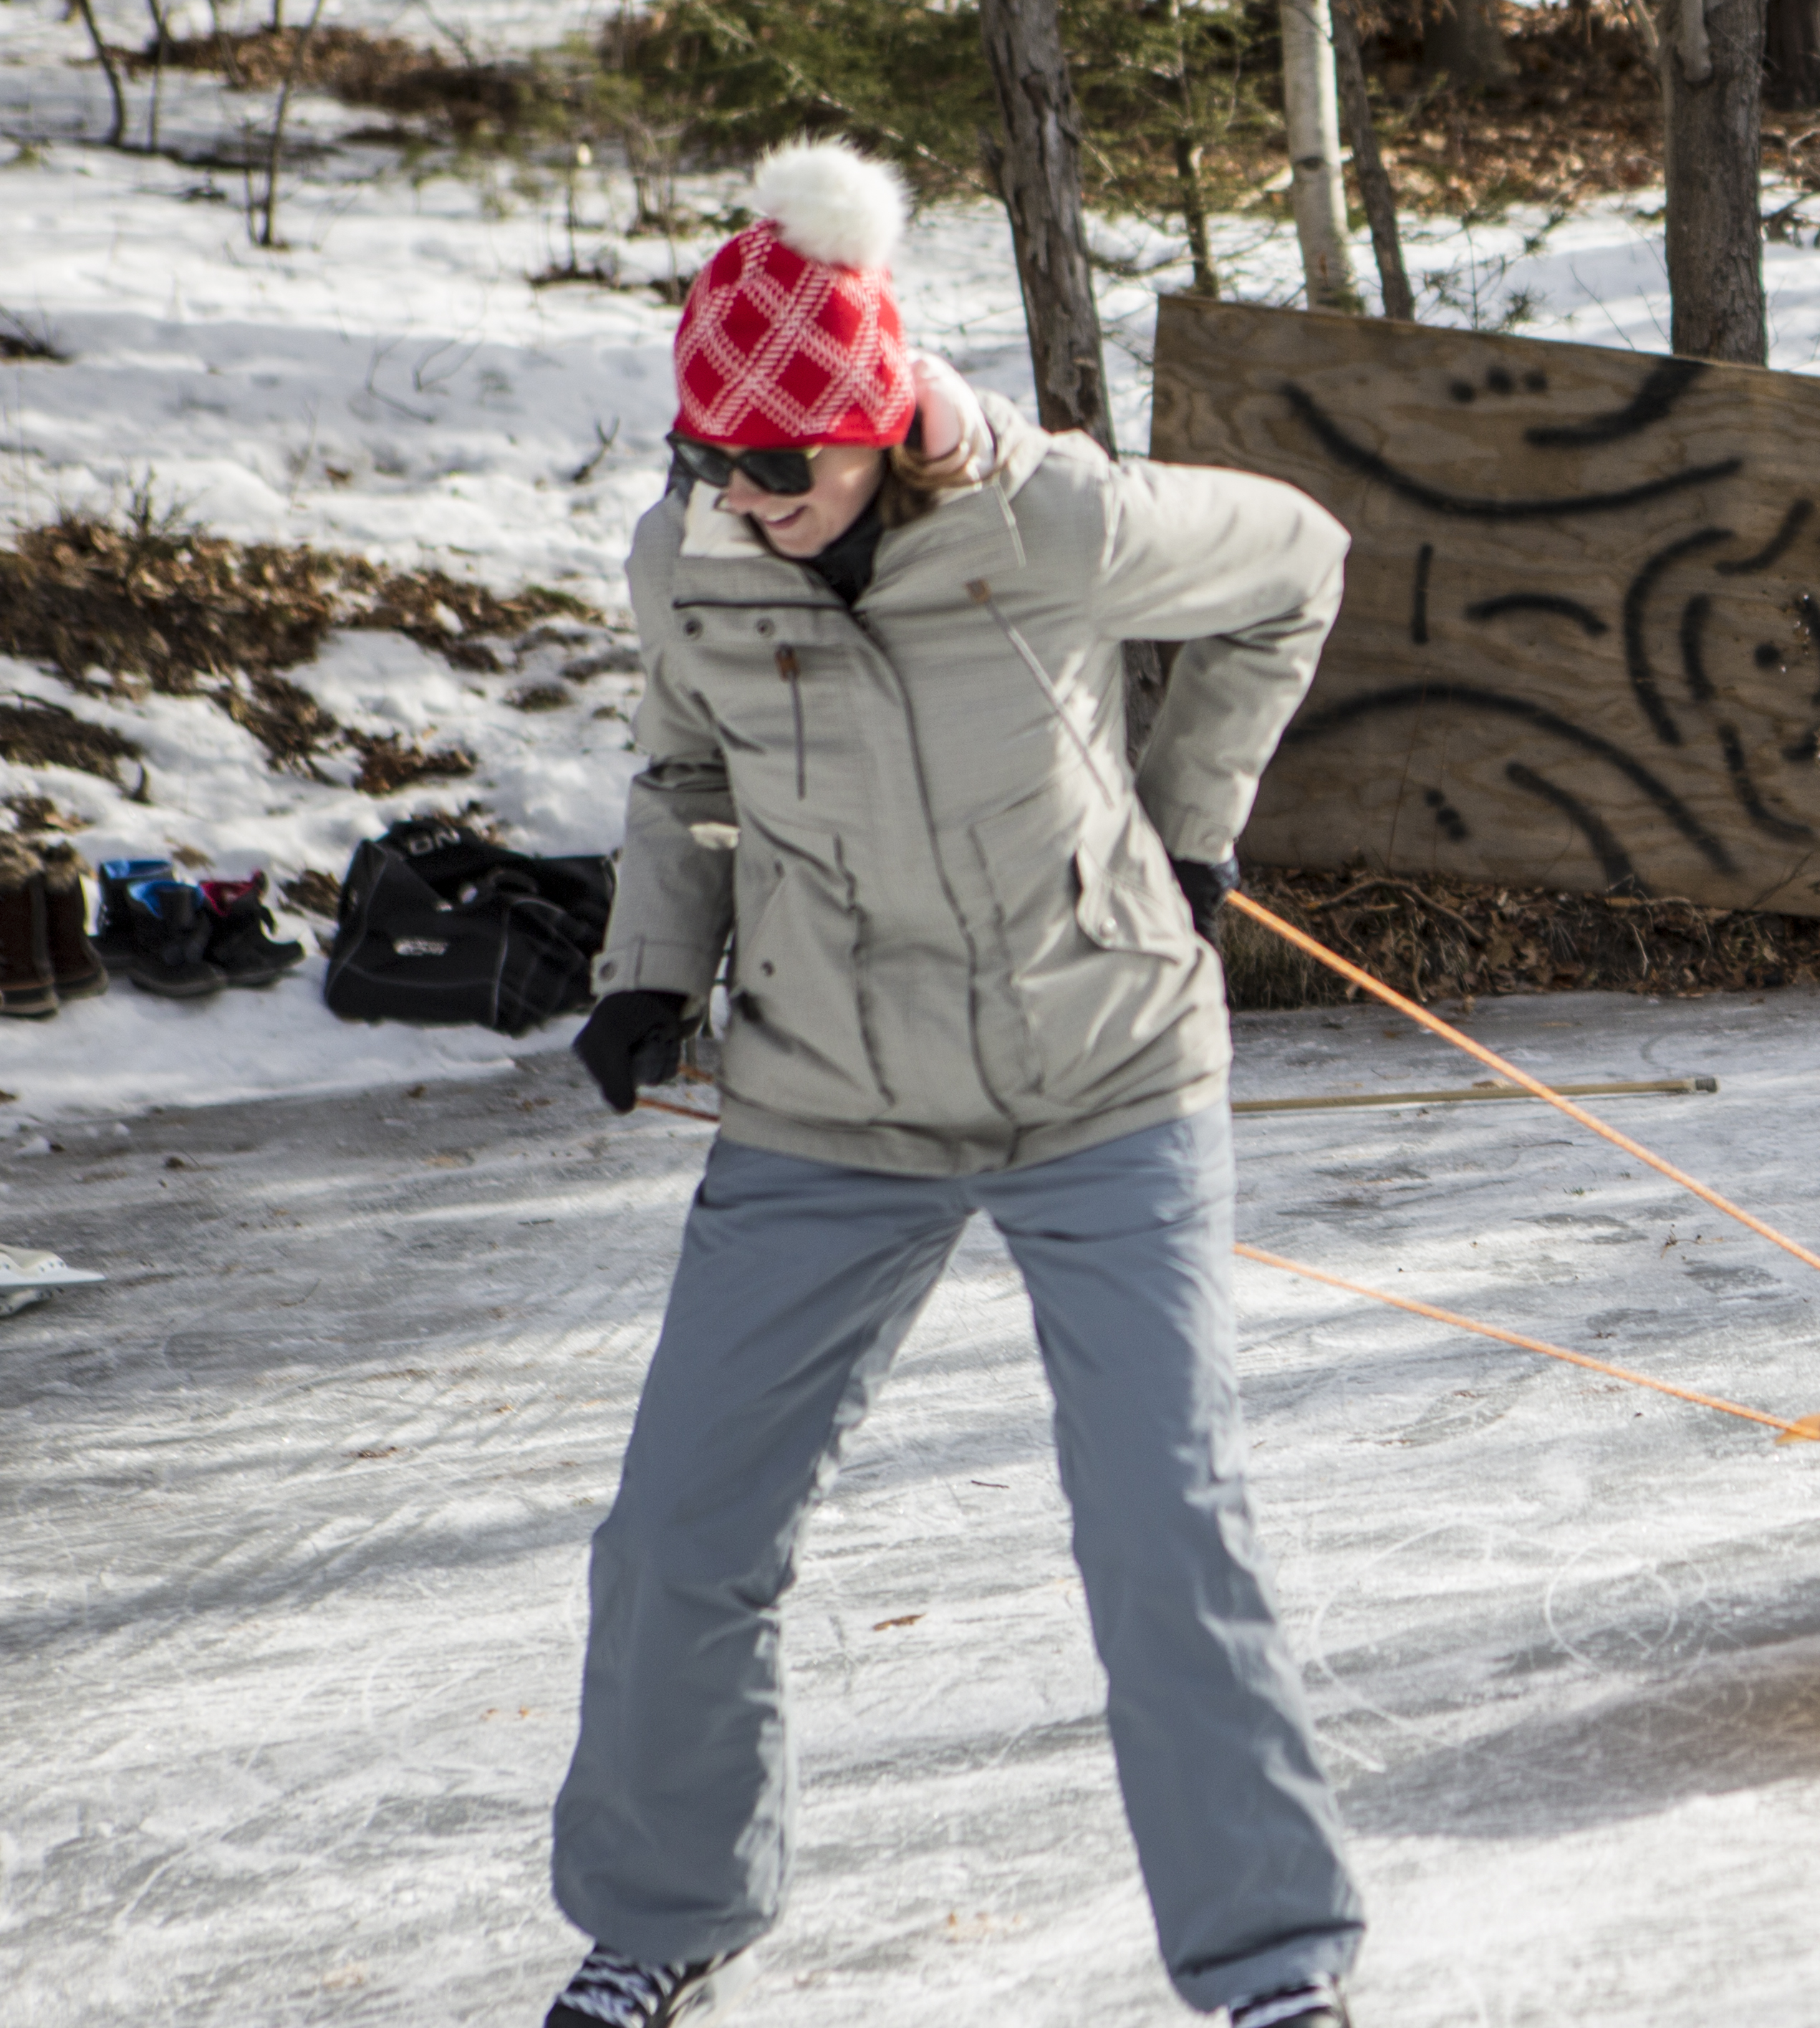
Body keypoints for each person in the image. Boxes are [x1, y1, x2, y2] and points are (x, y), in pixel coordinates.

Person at [544, 140, 1362, 2028]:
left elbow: (1295, 564)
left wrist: (1192, 830)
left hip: (1106, 1072)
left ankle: (1271, 1973)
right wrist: (650, 973)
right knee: (680, 1529)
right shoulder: (696, 559)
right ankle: (663, 1913)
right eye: (713, 464)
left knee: (1163, 1519)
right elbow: (682, 779)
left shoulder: (1052, 522)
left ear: (878, 426)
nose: (746, 503)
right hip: (833, 1099)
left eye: (783, 467)